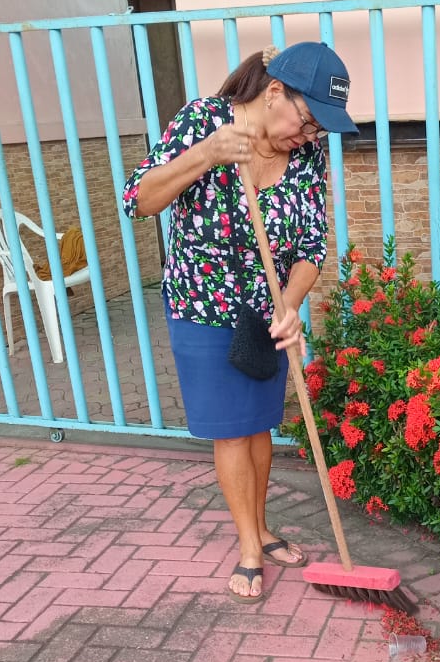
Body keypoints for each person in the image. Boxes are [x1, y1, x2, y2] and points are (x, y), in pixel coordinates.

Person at [122, 42, 358, 600]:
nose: (309, 136)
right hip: (202, 307)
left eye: (318, 129)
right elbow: (138, 200)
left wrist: (290, 305)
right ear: (275, 92)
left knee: (257, 426)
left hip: (264, 314)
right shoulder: (204, 121)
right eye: (307, 121)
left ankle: (262, 527)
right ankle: (249, 546)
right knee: (230, 429)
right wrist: (206, 154)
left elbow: (311, 245)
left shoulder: (305, 155)